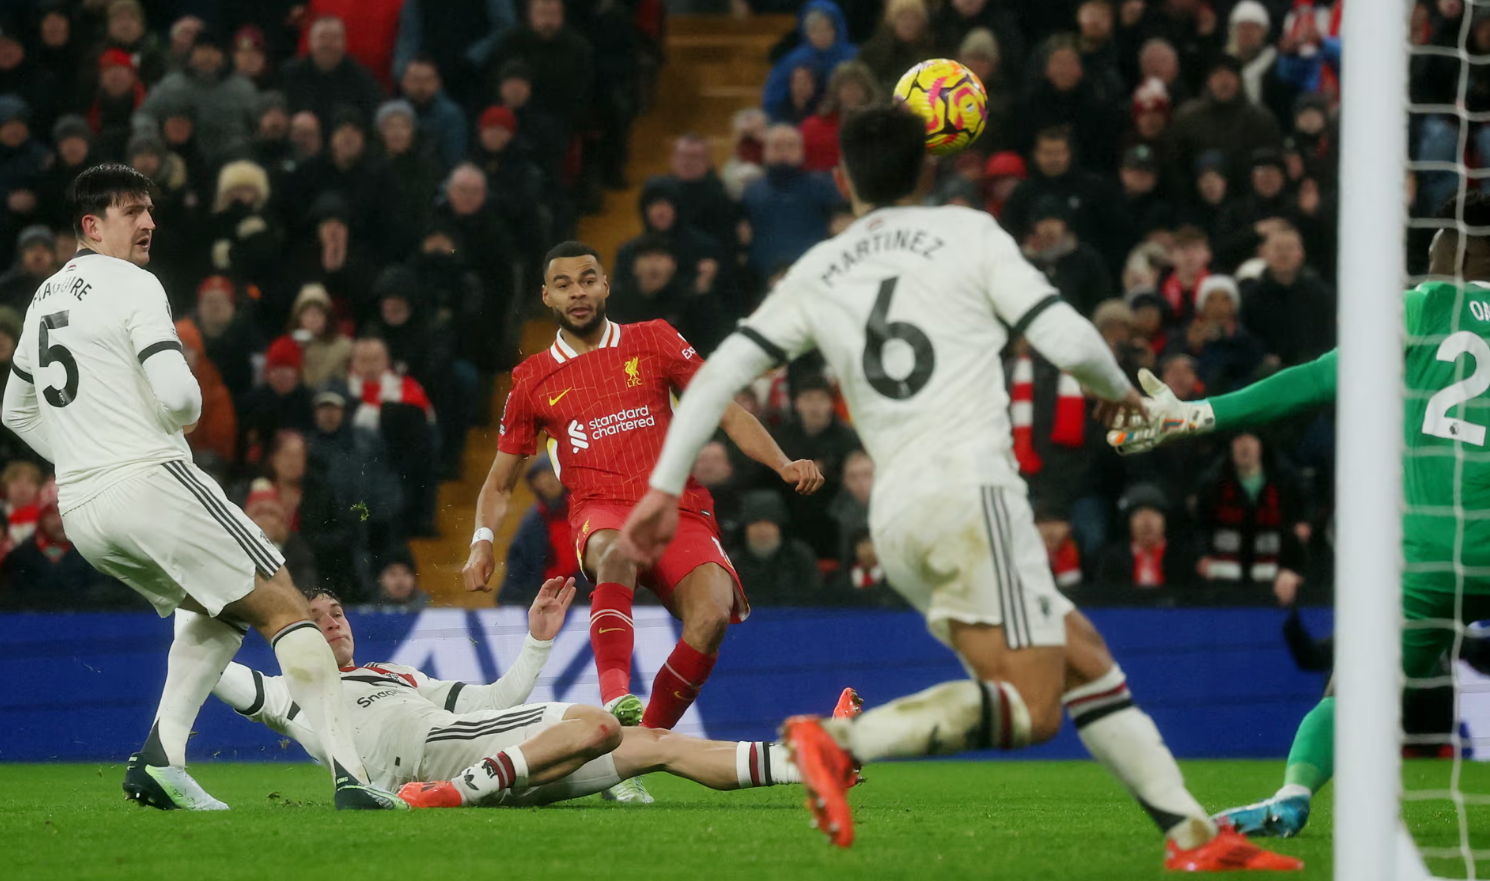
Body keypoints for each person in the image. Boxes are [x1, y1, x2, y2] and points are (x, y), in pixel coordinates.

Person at [617, 105, 1298, 870]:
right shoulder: (970, 233)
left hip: (899, 511)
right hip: (973, 493)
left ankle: (1192, 836)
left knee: (1085, 655)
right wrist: (1128, 397)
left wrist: (663, 485)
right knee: (1034, 706)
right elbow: (1067, 334)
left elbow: (717, 380)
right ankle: (836, 741)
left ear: (842, 179)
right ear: (932, 170)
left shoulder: (818, 267)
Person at [0, 164, 403, 811]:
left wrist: (81, 453)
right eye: (133, 211)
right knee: (282, 602)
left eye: (150, 210)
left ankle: (161, 759)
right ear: (91, 224)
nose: (150, 222)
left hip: (83, 509)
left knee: (218, 611)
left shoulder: (46, 295)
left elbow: (14, 411)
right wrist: (166, 418)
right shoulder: (132, 283)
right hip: (148, 478)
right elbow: (182, 396)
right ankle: (354, 778)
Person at [1107, 189, 1490, 840]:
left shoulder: (1425, 308)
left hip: (1430, 546)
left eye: (1435, 242)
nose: (1426, 254)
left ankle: (1292, 793)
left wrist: (1200, 413)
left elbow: (1314, 379)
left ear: (1464, 245)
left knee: (1353, 687)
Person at [461, 242, 825, 804]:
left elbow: (724, 408)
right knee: (617, 551)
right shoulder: (532, 379)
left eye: (587, 280)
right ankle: (614, 699)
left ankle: (629, 753)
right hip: (601, 508)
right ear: (546, 297)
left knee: (711, 613)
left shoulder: (653, 338)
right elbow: (499, 482)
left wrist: (782, 462)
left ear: (606, 285)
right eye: (563, 284)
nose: (577, 292)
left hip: (676, 506)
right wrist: (482, 543)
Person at [213, 585, 854, 808]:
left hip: (468, 748)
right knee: (599, 723)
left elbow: (495, 698)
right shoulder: (289, 691)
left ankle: (813, 765)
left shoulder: (399, 673)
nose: (333, 621)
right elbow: (217, 670)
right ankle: (450, 795)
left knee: (655, 745)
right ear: (291, 631)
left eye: (338, 612)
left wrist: (538, 643)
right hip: (419, 752)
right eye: (316, 616)